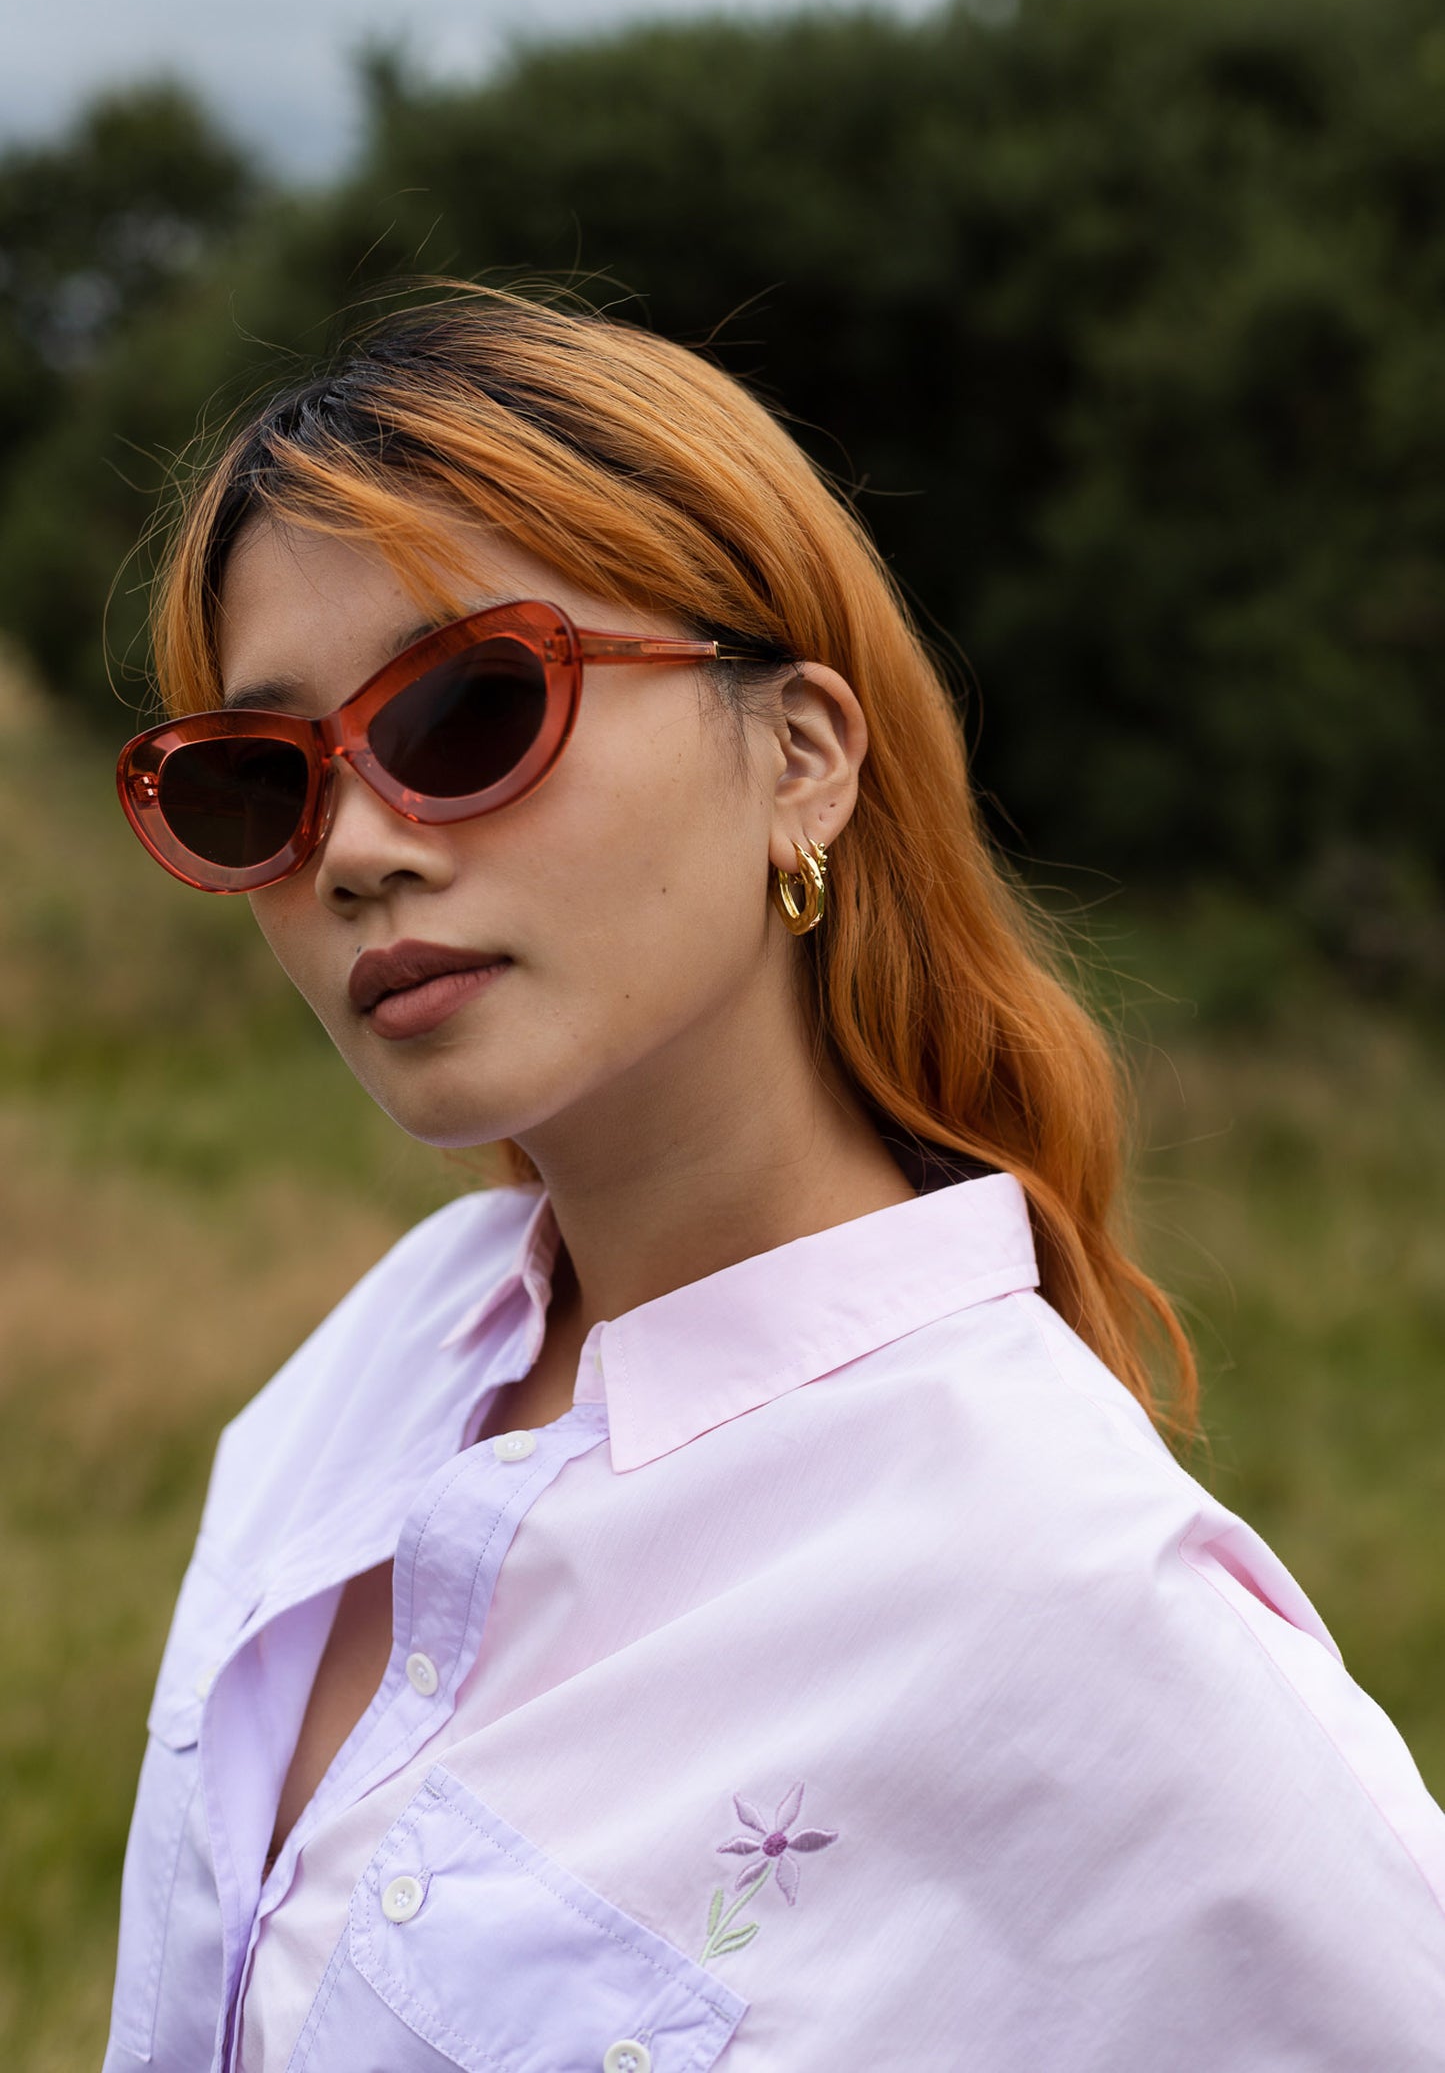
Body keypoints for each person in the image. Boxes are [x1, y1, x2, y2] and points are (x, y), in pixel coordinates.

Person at [105, 287, 1445, 2073]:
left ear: (801, 757)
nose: (354, 848)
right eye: (257, 782)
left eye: (467, 711)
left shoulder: (1070, 1603)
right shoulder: (378, 1357)